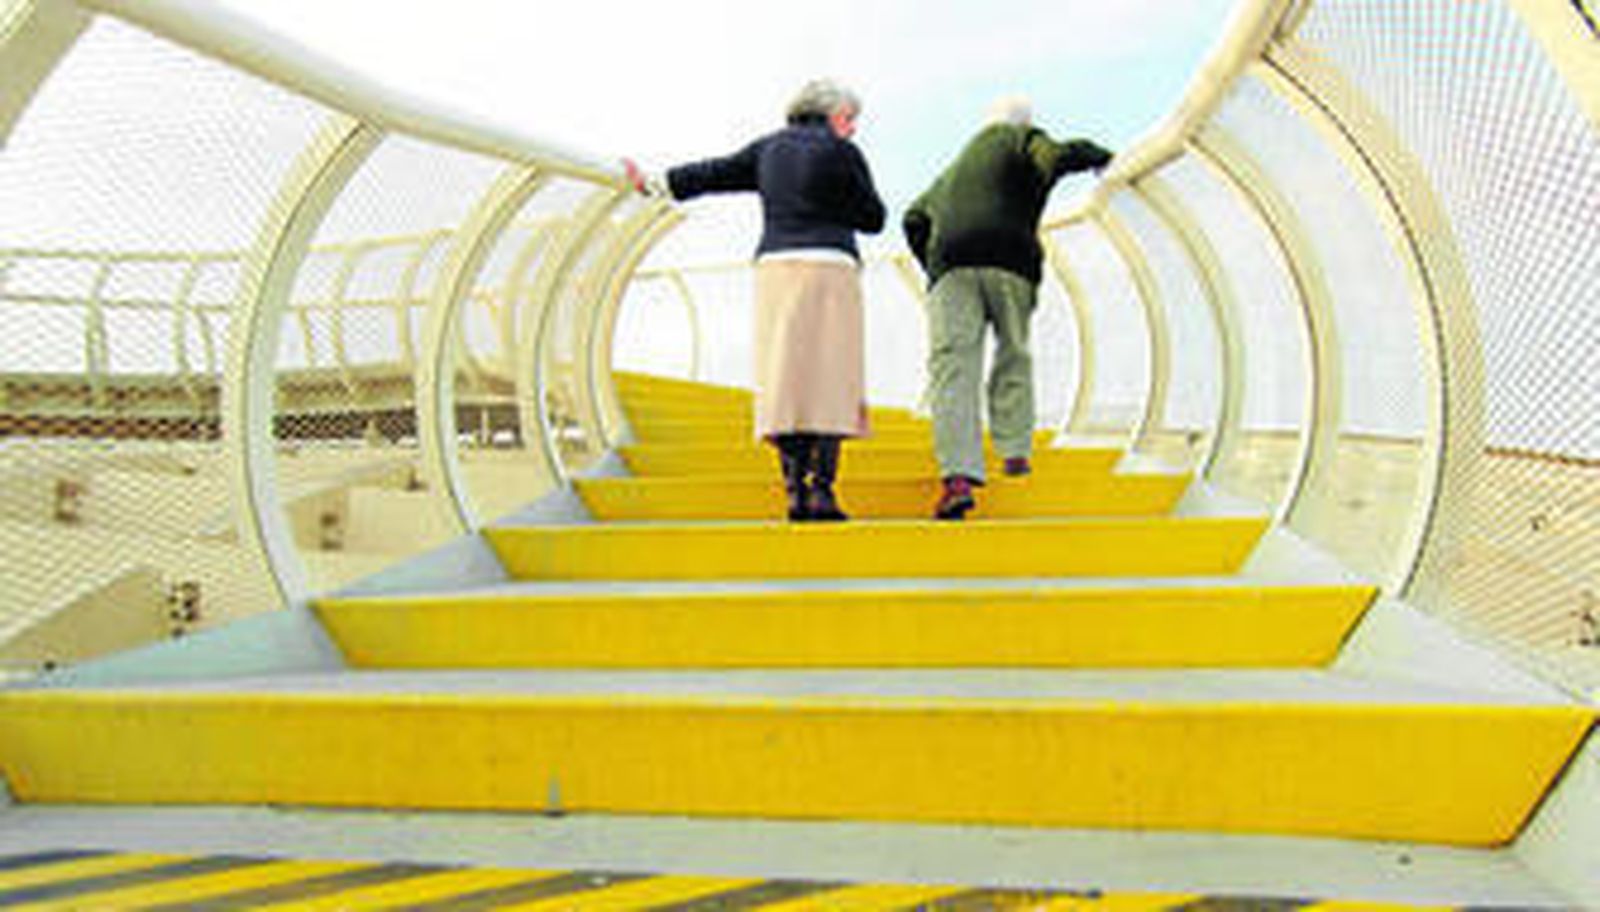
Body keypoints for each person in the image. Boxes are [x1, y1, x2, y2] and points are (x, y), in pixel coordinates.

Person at [624, 79, 885, 522]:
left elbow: (711, 174)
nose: (853, 129)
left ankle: (793, 492)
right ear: (836, 116)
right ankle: (822, 492)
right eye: (851, 120)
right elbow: (874, 218)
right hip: (830, 267)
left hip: (776, 269)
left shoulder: (768, 149)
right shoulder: (843, 152)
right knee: (829, 380)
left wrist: (652, 183)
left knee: (784, 379)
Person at [902, 96, 1112, 520]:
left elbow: (913, 218)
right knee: (1012, 350)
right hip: (1010, 259)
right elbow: (1055, 156)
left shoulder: (951, 172)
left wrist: (935, 268)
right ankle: (1014, 452)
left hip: (951, 264)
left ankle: (957, 478)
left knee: (952, 368)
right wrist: (1099, 155)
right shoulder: (1022, 138)